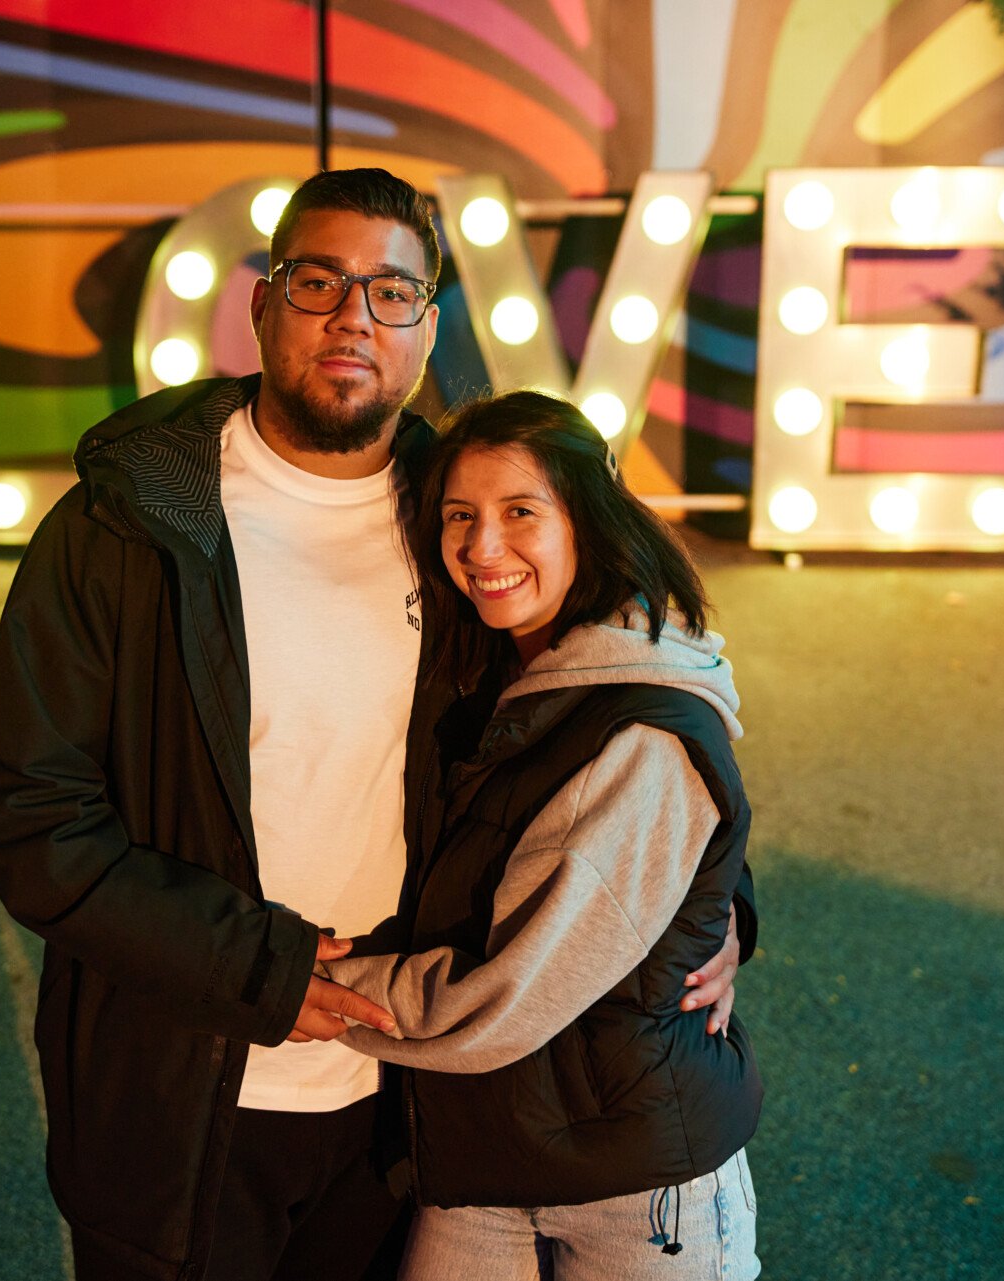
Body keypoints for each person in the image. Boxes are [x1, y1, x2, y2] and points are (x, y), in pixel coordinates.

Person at [0, 169, 740, 1281]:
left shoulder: (462, 522)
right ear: (263, 304)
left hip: (406, 1108)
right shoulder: (128, 525)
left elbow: (617, 710)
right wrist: (258, 967)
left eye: (391, 292)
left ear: (427, 329)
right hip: (180, 1088)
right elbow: (24, 810)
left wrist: (708, 911)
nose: (352, 318)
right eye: (320, 282)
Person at [323, 390, 763, 1280]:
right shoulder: (494, 674)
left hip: (640, 1186)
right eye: (460, 516)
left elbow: (505, 994)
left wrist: (299, 984)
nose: (483, 548)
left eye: (520, 512)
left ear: (587, 522)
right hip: (485, 1152)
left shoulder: (637, 723)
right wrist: (727, 914)